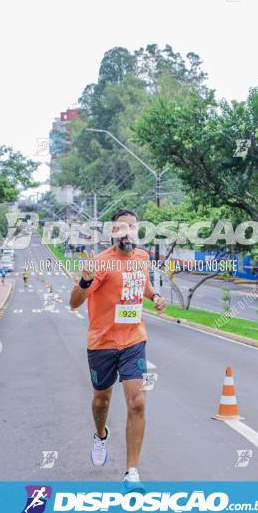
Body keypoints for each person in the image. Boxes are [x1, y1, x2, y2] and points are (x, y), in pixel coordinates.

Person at [69, 209, 167, 492]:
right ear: (113, 234)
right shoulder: (100, 263)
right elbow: (74, 303)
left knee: (137, 402)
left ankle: (132, 473)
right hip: (102, 343)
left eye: (132, 227)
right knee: (102, 400)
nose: (127, 232)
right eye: (121, 228)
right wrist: (86, 281)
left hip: (134, 340)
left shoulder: (142, 258)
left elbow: (143, 285)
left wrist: (156, 296)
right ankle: (101, 435)